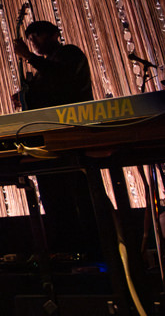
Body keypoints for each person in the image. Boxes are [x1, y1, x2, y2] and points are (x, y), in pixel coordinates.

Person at [12, 19, 100, 260]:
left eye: (35, 38)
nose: (34, 45)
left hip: (72, 133)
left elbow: (62, 80)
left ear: (51, 35)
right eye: (31, 41)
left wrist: (29, 57)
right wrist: (25, 95)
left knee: (79, 192)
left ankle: (95, 250)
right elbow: (47, 91)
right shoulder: (47, 65)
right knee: (54, 194)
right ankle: (66, 250)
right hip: (51, 137)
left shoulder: (69, 54)